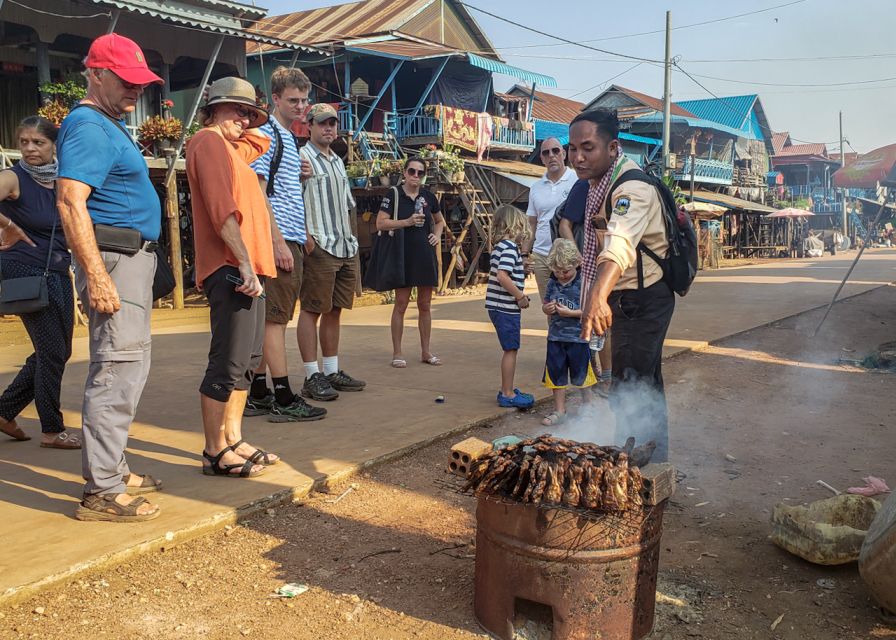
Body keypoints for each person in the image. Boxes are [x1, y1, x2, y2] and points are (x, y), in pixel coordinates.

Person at [56, 33, 164, 522]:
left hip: (126, 260)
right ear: (95, 73)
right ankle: (101, 489)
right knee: (118, 368)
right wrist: (97, 276)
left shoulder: (105, 123)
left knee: (128, 366)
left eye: (140, 82)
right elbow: (69, 200)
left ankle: (112, 470)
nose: (135, 90)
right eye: (125, 80)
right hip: (114, 261)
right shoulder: (88, 126)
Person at [186, 77, 281, 478]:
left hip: (250, 266)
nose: (245, 119)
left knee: (248, 360)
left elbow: (263, 141)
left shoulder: (231, 148)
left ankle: (233, 438)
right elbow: (221, 210)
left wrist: (248, 117)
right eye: (237, 109)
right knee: (228, 359)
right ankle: (213, 450)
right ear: (214, 108)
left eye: (250, 112)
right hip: (231, 265)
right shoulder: (208, 142)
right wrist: (242, 262)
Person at [572, 109, 674, 462]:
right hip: (630, 296)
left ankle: (631, 467)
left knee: (630, 386)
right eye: (572, 149)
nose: (577, 157)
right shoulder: (599, 186)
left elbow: (619, 243)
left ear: (613, 148)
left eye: (588, 147)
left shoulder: (631, 188)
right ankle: (652, 463)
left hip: (642, 299)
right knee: (644, 384)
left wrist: (597, 296)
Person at [244, 66, 326, 423]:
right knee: (275, 321)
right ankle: (283, 395)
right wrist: (277, 242)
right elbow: (259, 194)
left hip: (290, 237)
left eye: (304, 100)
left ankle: (260, 391)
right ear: (275, 99)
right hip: (277, 240)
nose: (301, 106)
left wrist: (301, 232)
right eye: (293, 100)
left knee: (271, 319)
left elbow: (282, 191)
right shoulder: (268, 136)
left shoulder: (288, 139)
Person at [0, 116, 80, 450]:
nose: (30, 149)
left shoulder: (64, 181)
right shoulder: (12, 177)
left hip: (57, 271)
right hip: (24, 270)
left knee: (60, 351)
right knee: (51, 352)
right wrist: (7, 223)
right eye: (24, 142)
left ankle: (4, 410)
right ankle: (52, 428)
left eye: (39, 143)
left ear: (54, 146)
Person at [297, 104, 366, 401]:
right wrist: (306, 235)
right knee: (312, 309)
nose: (328, 128)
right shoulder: (302, 157)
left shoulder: (337, 160)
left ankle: (331, 369)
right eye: (322, 123)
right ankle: (312, 374)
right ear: (309, 125)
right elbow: (289, 197)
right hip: (320, 241)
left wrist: (352, 238)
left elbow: (347, 204)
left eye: (332, 123)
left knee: (335, 309)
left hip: (343, 242)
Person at [375, 157, 446, 368]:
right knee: (401, 304)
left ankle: (426, 351)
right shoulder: (394, 194)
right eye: (412, 171)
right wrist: (406, 222)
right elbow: (381, 222)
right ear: (404, 173)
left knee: (425, 305)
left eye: (420, 173)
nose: (416, 176)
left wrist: (437, 235)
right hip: (402, 254)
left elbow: (440, 220)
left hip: (424, 254)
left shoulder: (428, 197)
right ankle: (397, 352)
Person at [540, 239, 597, 426]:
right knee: (556, 374)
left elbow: (591, 310)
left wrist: (570, 313)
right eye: (557, 272)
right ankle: (560, 410)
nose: (562, 275)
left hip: (578, 337)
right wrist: (547, 309)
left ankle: (588, 406)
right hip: (556, 336)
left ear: (576, 265)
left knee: (582, 375)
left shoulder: (583, 283)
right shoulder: (552, 283)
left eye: (566, 271)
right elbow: (545, 304)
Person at [486, 204, 534, 409]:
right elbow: (502, 276)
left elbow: (506, 271)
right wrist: (520, 296)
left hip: (499, 306)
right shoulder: (509, 247)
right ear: (513, 227)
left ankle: (509, 389)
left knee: (510, 348)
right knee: (511, 349)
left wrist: (521, 269)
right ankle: (507, 393)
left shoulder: (501, 247)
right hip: (505, 307)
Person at [525, 137, 576, 303]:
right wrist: (525, 253)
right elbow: (531, 223)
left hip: (568, 255)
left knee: (572, 302)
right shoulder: (536, 188)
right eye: (546, 153)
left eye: (556, 151)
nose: (551, 156)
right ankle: (552, 330)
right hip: (541, 255)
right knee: (549, 305)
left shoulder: (577, 181)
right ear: (542, 159)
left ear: (564, 154)